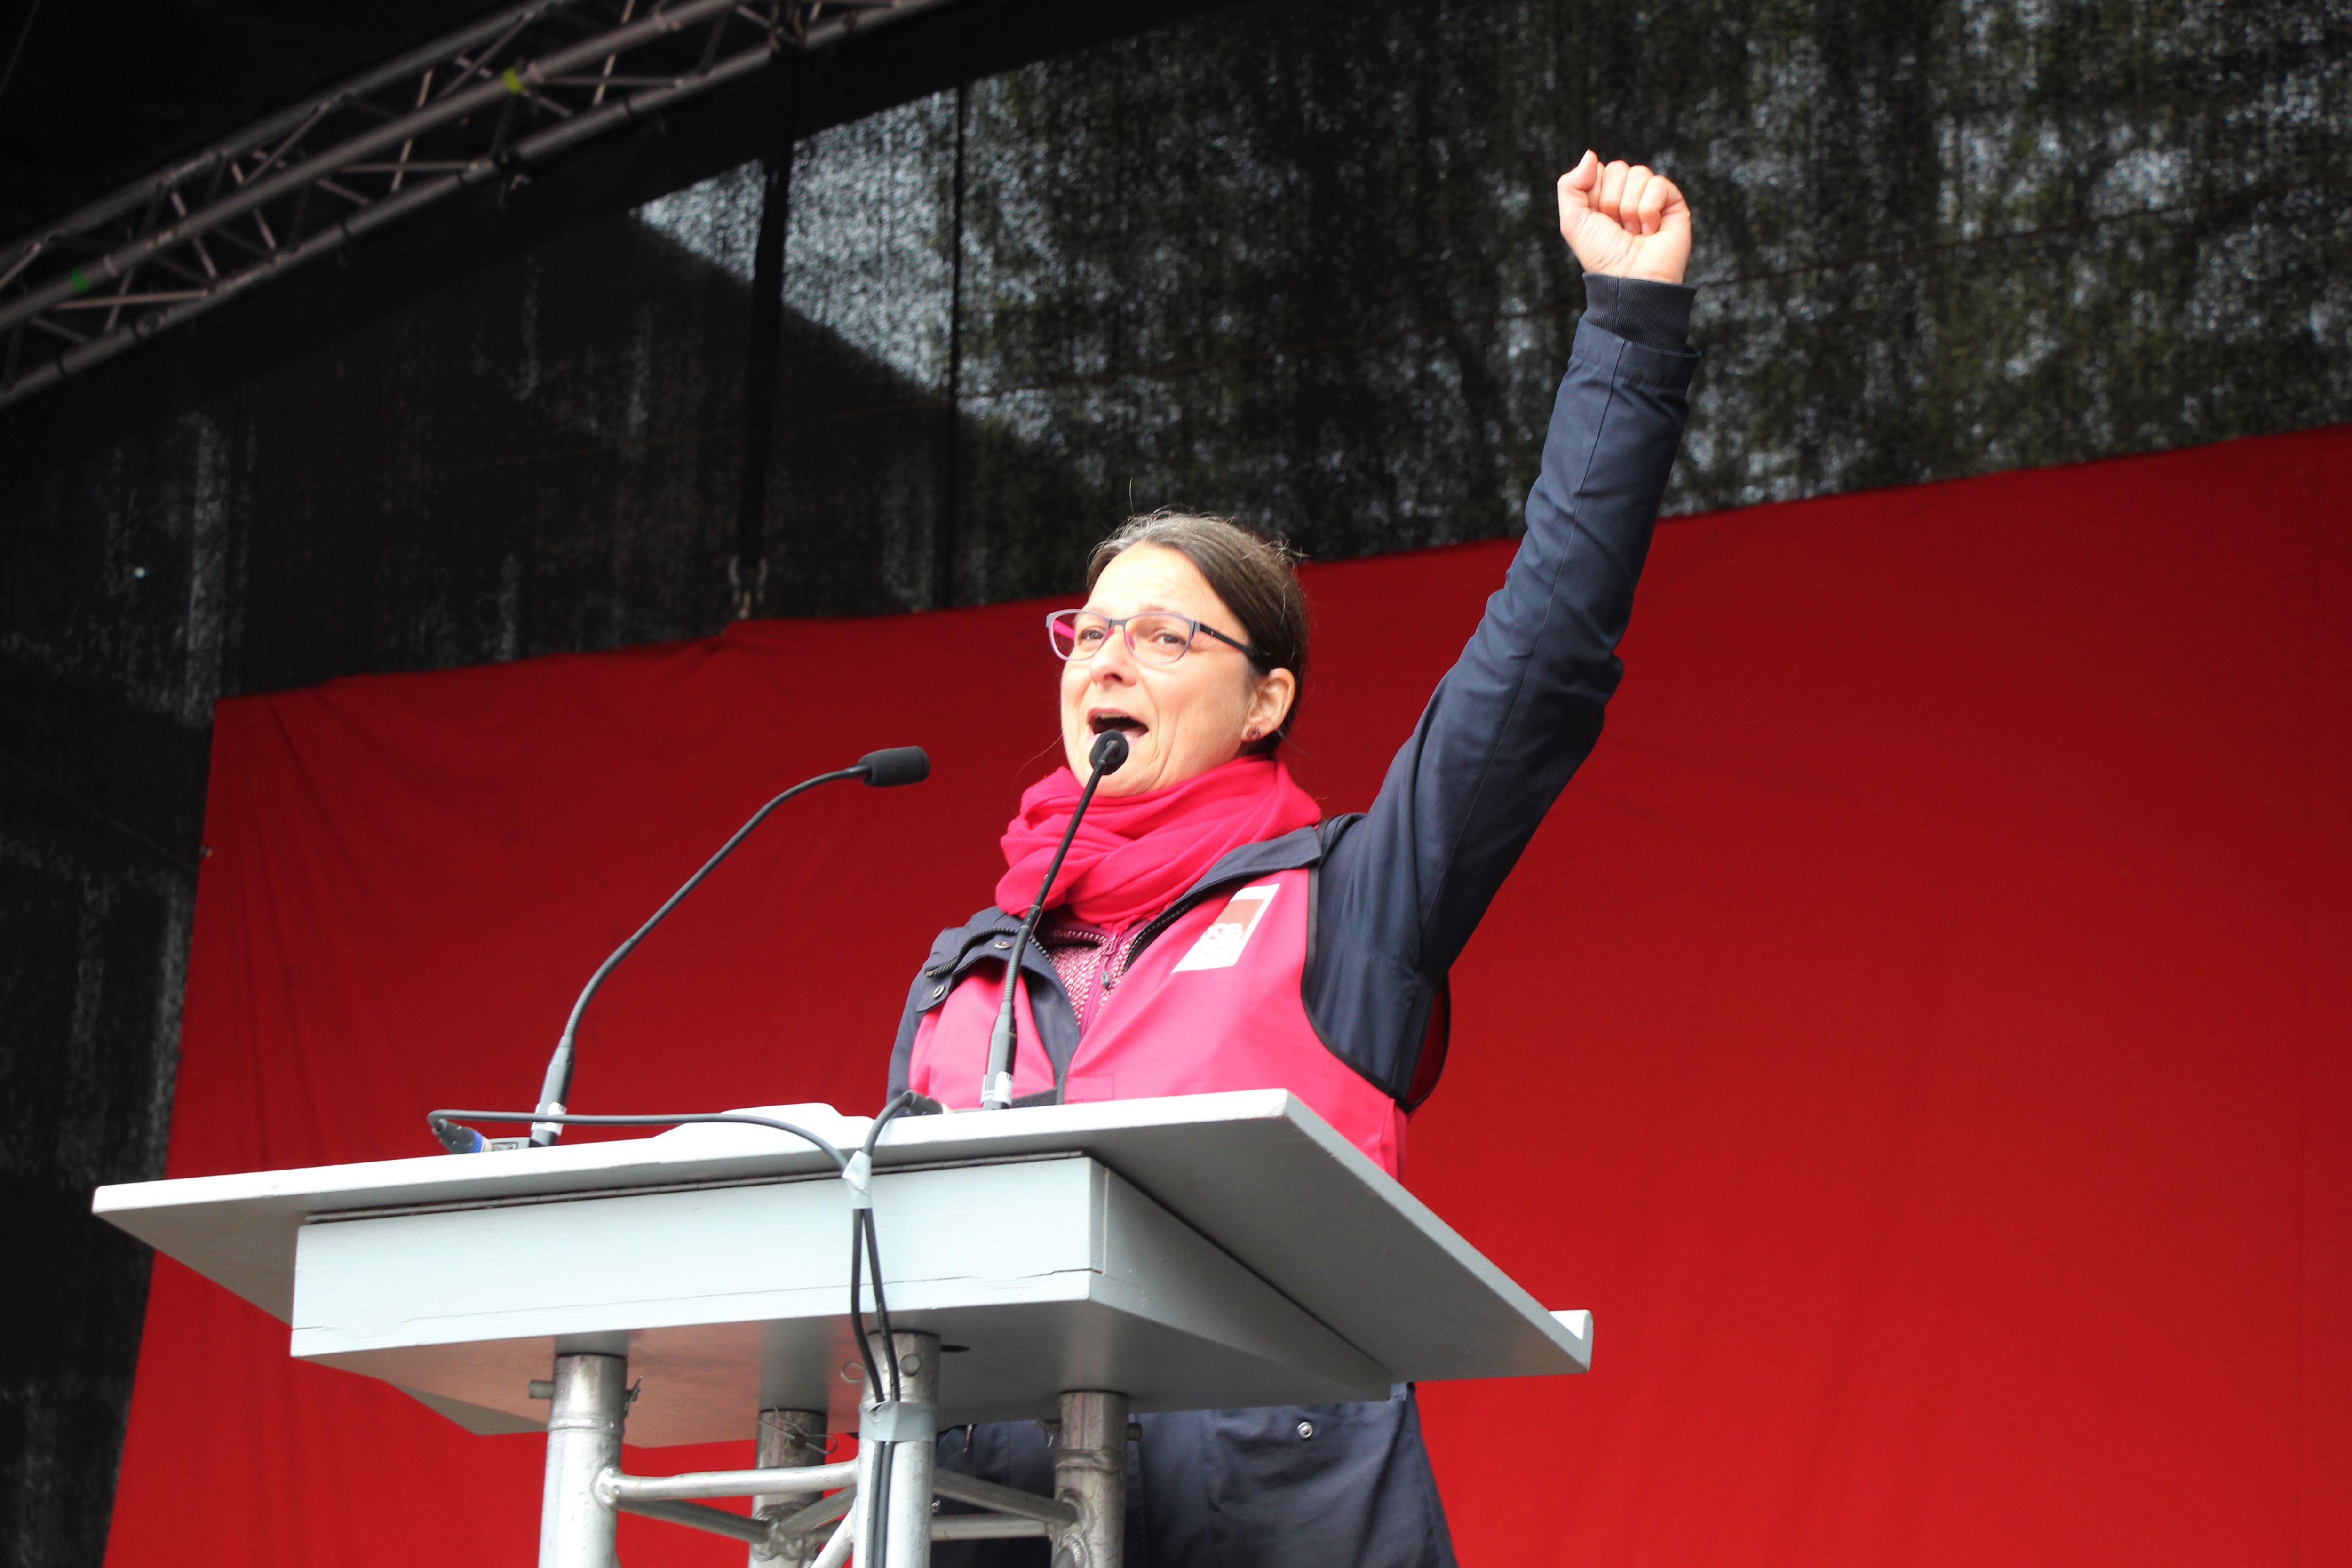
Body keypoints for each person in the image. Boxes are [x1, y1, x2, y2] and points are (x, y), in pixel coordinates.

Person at [887, 151, 1699, 1568]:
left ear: (1268, 698)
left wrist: (1628, 328)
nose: (1108, 658)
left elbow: (1547, 653)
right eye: (1087, 633)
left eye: (1166, 633)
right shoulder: (968, 975)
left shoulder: (1350, 896)